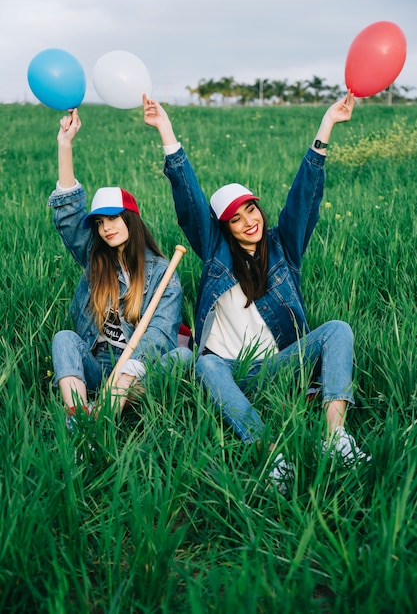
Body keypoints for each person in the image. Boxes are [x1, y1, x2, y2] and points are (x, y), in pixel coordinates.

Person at [143, 91, 370, 490]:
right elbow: (191, 201)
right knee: (205, 364)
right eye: (235, 218)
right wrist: (166, 131)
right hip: (236, 371)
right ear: (223, 229)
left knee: (337, 329)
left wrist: (326, 128)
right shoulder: (215, 255)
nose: (249, 221)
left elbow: (305, 197)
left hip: (283, 365)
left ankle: (335, 437)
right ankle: (271, 452)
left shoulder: (285, 247)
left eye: (251, 209)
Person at [48, 108, 188, 421]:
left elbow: (160, 334)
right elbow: (69, 215)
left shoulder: (163, 273)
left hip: (138, 372)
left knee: (182, 356)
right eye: (99, 222)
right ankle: (80, 417)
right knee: (64, 338)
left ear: (130, 220)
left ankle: (112, 406)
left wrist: (122, 382)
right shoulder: (94, 259)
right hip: (97, 367)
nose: (106, 227)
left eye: (114, 218)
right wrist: (65, 144)